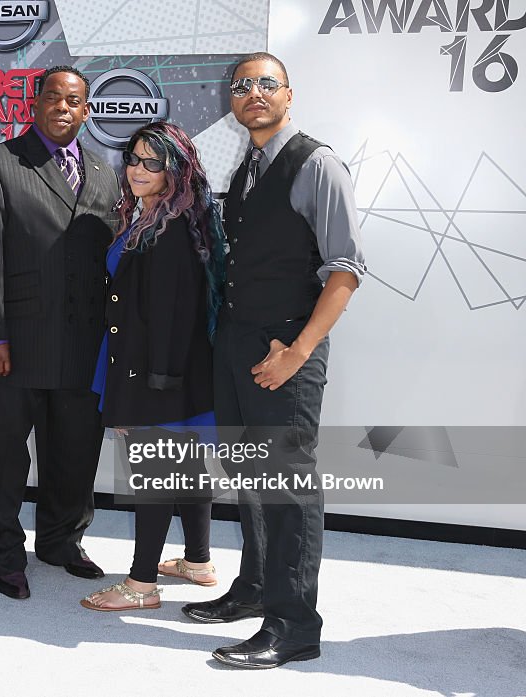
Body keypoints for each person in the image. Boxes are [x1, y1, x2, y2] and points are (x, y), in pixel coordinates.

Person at [180, 52, 366, 668]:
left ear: (289, 94)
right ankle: (256, 588)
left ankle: (293, 625)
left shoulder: (316, 163)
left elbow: (345, 271)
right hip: (239, 344)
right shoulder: (249, 165)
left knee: (287, 486)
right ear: (232, 101)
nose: (253, 93)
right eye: (242, 86)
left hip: (289, 348)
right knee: (250, 478)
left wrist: (300, 352)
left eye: (266, 83)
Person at [0, 65, 120, 600]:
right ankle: (2, 554)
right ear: (35, 102)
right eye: (54, 97)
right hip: (14, 346)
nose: (63, 108)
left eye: (74, 101)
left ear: (86, 110)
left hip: (83, 346)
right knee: (4, 457)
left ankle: (61, 541)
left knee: (73, 452)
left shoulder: (102, 172)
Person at [79, 121, 224, 612]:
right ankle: (198, 561)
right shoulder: (162, 217)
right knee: (186, 467)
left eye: (152, 162)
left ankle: (140, 585)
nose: (138, 169)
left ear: (175, 170)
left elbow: (169, 315)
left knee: (156, 473)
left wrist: (144, 394)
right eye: (134, 159)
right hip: (172, 371)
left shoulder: (170, 229)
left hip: (155, 372)